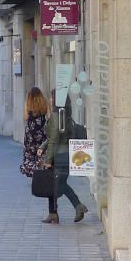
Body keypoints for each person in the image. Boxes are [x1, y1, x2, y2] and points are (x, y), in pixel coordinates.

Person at [38, 92, 88, 224]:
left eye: (51, 96)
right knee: (56, 184)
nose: (49, 98)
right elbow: (55, 137)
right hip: (66, 154)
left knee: (58, 184)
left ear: (56, 100)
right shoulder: (66, 115)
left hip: (59, 156)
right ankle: (54, 213)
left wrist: (48, 160)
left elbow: (54, 140)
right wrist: (42, 146)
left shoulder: (56, 116)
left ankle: (77, 206)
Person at [20, 87, 49, 178]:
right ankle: (41, 170)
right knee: (41, 151)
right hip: (41, 131)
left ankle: (32, 172)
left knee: (30, 153)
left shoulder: (28, 104)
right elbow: (49, 117)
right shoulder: (44, 103)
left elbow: (25, 118)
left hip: (30, 133)